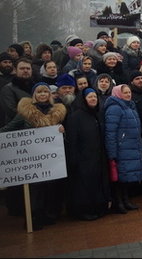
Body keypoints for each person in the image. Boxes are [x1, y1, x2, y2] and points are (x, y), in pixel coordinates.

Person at [1, 83, 66, 229]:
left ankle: (47, 215)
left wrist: (62, 130)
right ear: (34, 95)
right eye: (39, 92)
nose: (43, 94)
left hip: (50, 159)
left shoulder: (56, 111)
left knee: (49, 188)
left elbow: (61, 137)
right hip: (33, 158)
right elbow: (8, 129)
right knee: (35, 190)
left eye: (45, 92)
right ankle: (33, 217)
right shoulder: (25, 113)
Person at [64, 88, 111, 220]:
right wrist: (74, 158)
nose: (93, 99)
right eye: (90, 97)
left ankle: (98, 207)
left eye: (95, 97)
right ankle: (85, 210)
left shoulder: (98, 113)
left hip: (98, 156)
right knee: (84, 185)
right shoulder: (76, 116)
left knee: (97, 182)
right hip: (83, 158)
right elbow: (72, 140)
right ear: (83, 99)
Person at [104, 84, 142, 214]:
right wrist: (112, 153)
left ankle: (126, 200)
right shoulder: (114, 108)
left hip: (131, 147)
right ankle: (119, 203)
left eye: (129, 92)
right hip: (121, 149)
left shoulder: (130, 106)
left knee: (125, 177)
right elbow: (110, 133)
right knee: (118, 178)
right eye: (125, 93)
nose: (128, 94)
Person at [0, 58, 33, 126]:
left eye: (28, 68)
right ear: (15, 70)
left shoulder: (36, 87)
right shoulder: (8, 89)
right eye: (22, 68)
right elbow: (11, 111)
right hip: (17, 129)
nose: (26, 70)